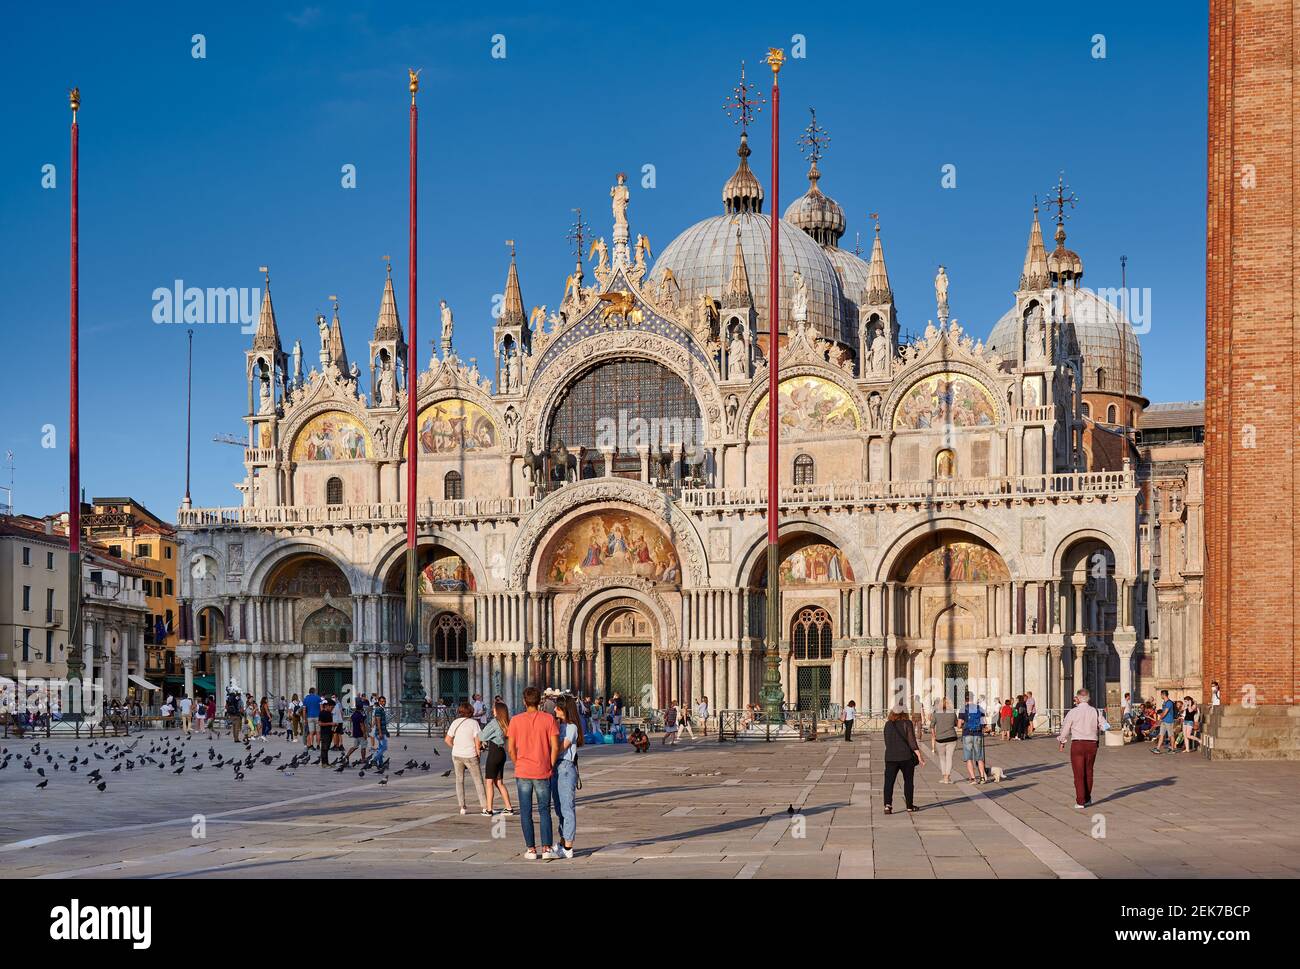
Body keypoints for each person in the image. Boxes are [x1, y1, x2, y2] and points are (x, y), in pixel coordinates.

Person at [507, 686, 561, 860]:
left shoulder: (515, 720)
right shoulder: (549, 719)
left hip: (522, 770)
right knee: (544, 810)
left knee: (525, 811)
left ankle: (531, 849)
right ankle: (546, 849)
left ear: (524, 701)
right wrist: (550, 764)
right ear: (540, 701)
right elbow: (555, 746)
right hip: (542, 770)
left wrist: (518, 763)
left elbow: (511, 748)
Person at [1058, 688, 1109, 808]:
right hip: (1092, 744)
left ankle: (1080, 801)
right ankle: (1087, 798)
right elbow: (1105, 727)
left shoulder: (1073, 712)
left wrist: (1062, 740)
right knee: (1089, 771)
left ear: (1078, 699)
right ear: (1088, 698)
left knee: (1078, 773)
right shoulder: (1095, 711)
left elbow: (1065, 728)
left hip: (1078, 744)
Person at [551, 694, 583, 858]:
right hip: (556, 768)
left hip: (565, 767)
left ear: (565, 709)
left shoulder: (571, 727)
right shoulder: (558, 725)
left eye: (557, 707)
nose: (555, 709)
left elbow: (561, 747)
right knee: (558, 808)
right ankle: (563, 841)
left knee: (567, 807)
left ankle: (569, 847)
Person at [445, 701, 489, 815]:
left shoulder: (455, 722)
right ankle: (484, 806)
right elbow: (477, 740)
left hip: (457, 755)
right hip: (470, 754)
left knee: (459, 781)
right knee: (478, 781)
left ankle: (462, 807)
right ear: (471, 711)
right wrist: (478, 752)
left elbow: (447, 740)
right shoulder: (474, 723)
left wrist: (457, 746)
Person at [882, 704, 925, 814]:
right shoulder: (907, 723)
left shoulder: (887, 724)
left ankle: (887, 805)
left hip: (891, 757)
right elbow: (912, 741)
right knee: (908, 781)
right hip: (906, 757)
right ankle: (909, 806)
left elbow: (887, 741)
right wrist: (919, 756)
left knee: (889, 782)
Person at [481, 701, 514, 815]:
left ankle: (489, 809)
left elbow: (482, 735)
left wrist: (483, 741)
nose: (492, 710)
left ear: (498, 711)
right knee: (499, 782)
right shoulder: (505, 722)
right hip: (501, 753)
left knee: (489, 782)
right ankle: (508, 807)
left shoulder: (494, 722)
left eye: (494, 709)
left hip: (494, 753)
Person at [958, 693, 990, 784]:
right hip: (978, 734)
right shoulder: (980, 708)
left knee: (969, 758)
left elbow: (959, 725)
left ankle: (973, 778)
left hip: (967, 734)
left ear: (965, 699)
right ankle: (982, 777)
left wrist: (964, 723)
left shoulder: (963, 709)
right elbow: (984, 722)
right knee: (979, 757)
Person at [930, 696, 959, 783]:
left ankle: (944, 776)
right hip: (952, 737)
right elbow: (956, 724)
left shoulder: (936, 713)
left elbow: (932, 726)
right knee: (949, 758)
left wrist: (934, 735)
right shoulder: (952, 713)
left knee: (942, 758)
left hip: (940, 738)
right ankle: (947, 777)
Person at [343, 700, 369, 767]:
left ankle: (347, 755)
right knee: (363, 747)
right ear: (361, 708)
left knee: (355, 746)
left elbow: (350, 720)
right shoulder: (360, 715)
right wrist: (364, 733)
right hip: (360, 733)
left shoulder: (354, 714)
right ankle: (363, 759)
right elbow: (361, 725)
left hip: (355, 733)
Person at [1152, 689, 1177, 753]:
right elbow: (1163, 711)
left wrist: (1160, 719)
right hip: (1164, 721)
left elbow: (1165, 712)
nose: (1160, 696)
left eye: (1161, 694)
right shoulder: (1164, 702)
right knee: (1161, 734)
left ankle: (1172, 749)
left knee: (1171, 735)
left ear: (1163, 694)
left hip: (1169, 721)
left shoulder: (1169, 702)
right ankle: (1158, 748)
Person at [372, 696, 389, 769]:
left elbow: (383, 723)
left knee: (380, 747)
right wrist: (380, 732)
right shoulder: (378, 709)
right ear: (379, 702)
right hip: (380, 732)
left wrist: (386, 731)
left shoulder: (382, 709)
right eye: (382, 701)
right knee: (384, 747)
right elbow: (378, 722)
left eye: (384, 701)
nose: (383, 703)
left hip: (383, 731)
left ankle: (381, 763)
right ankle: (374, 759)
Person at [317, 700, 335, 765]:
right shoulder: (322, 713)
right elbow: (320, 723)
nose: (332, 709)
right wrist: (330, 723)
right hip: (324, 732)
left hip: (329, 732)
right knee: (324, 748)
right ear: (327, 706)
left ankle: (326, 763)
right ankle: (324, 763)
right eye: (331, 708)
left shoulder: (329, 713)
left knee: (327, 748)